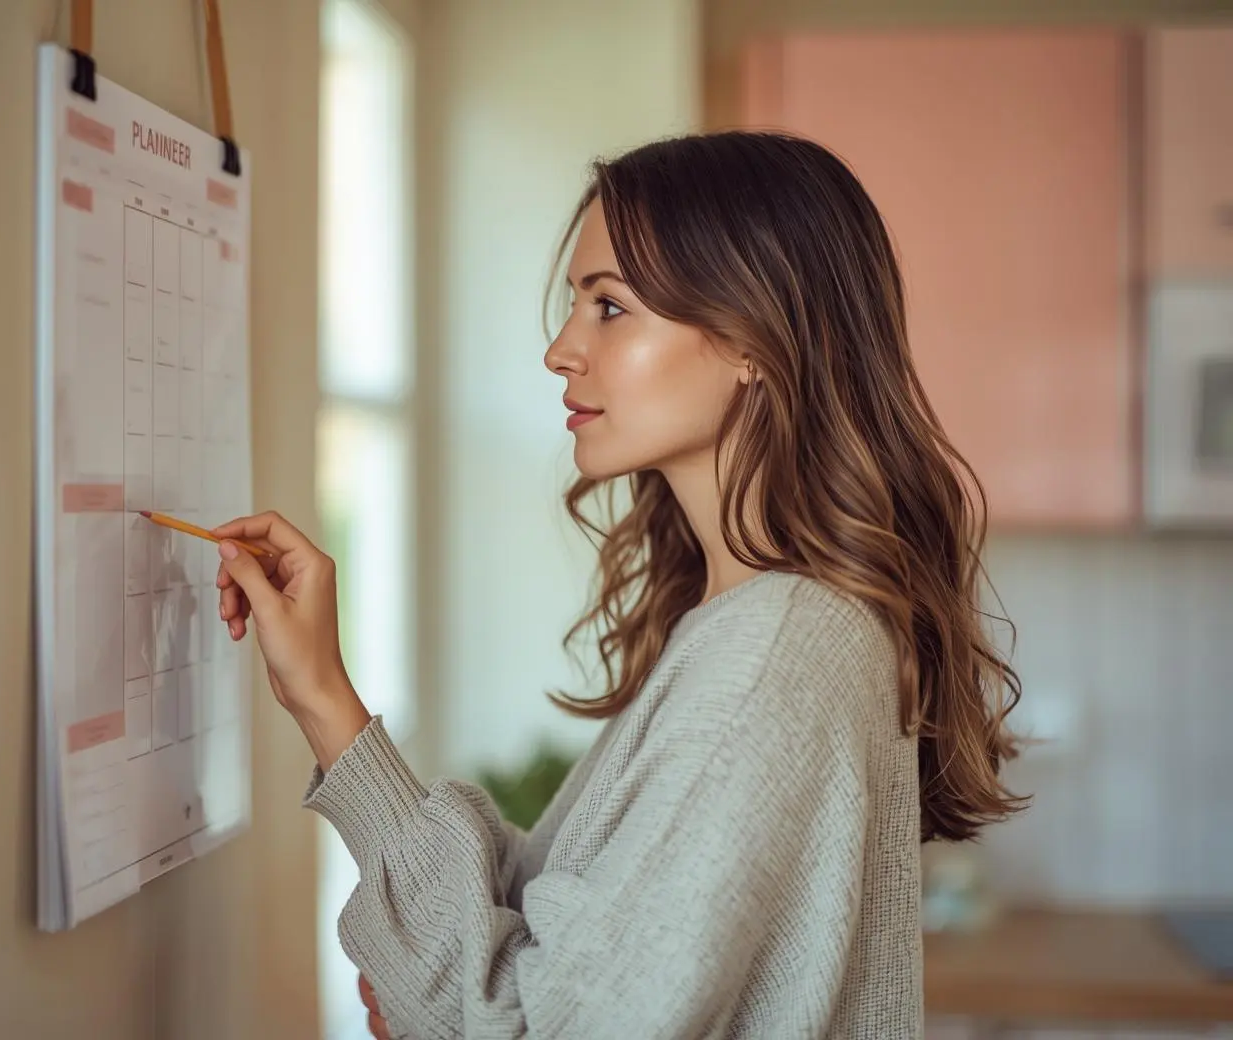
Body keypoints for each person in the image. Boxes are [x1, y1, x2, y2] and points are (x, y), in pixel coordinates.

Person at [211, 130, 1025, 1039]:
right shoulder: (740, 621)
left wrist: (444, 1002)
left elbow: (535, 1028)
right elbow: (551, 907)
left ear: (755, 337)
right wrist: (325, 699)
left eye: (609, 306)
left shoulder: (776, 649)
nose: (561, 350)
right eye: (574, 305)